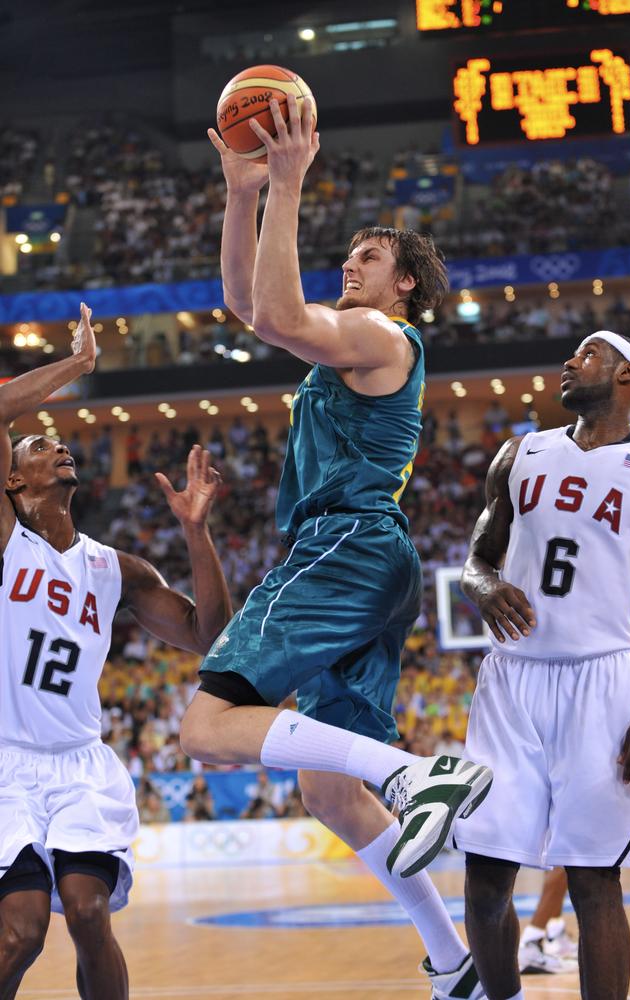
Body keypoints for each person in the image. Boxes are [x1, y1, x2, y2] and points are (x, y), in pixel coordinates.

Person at [179, 94, 492, 999]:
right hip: (370, 559)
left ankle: (420, 774)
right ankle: (452, 961)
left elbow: (273, 315)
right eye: (348, 254)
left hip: (342, 548)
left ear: (407, 286)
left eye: (370, 257)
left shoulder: (381, 334)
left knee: (204, 728)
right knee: (327, 792)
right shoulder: (354, 341)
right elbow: (248, 303)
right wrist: (244, 194)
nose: (350, 265)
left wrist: (289, 181)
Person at [0, 304, 232, 1000]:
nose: (57, 444)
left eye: (59, 442)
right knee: (20, 933)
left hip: (78, 766)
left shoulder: (116, 569)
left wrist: (197, 535)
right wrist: (78, 365)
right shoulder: (8, 541)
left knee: (91, 913)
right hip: (7, 764)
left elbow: (207, 636)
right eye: (37, 446)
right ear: (12, 482)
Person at [459, 330, 630, 999]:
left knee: (595, 878)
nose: (570, 361)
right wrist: (482, 588)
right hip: (512, 680)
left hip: (606, 680)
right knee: (484, 873)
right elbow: (478, 559)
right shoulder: (522, 453)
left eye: (589, 354)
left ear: (629, 376)